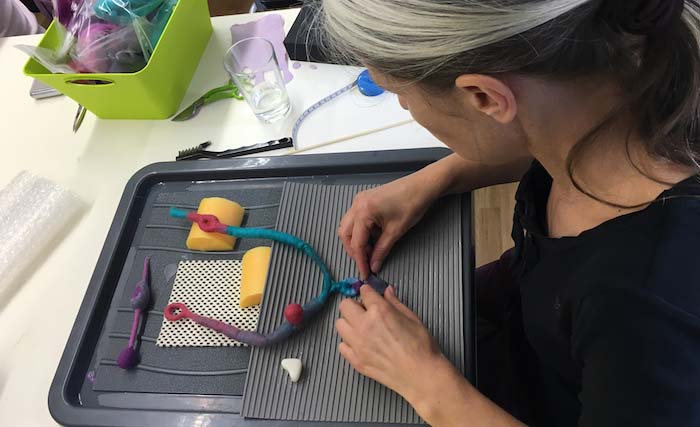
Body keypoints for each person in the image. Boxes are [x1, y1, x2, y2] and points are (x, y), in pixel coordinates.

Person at [322, 0, 700, 426]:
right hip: (528, 321)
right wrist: (432, 181)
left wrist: (426, 382)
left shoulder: (645, 316)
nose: (406, 108)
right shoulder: (613, 85)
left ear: (484, 96)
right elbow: (537, 135)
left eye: (402, 95)